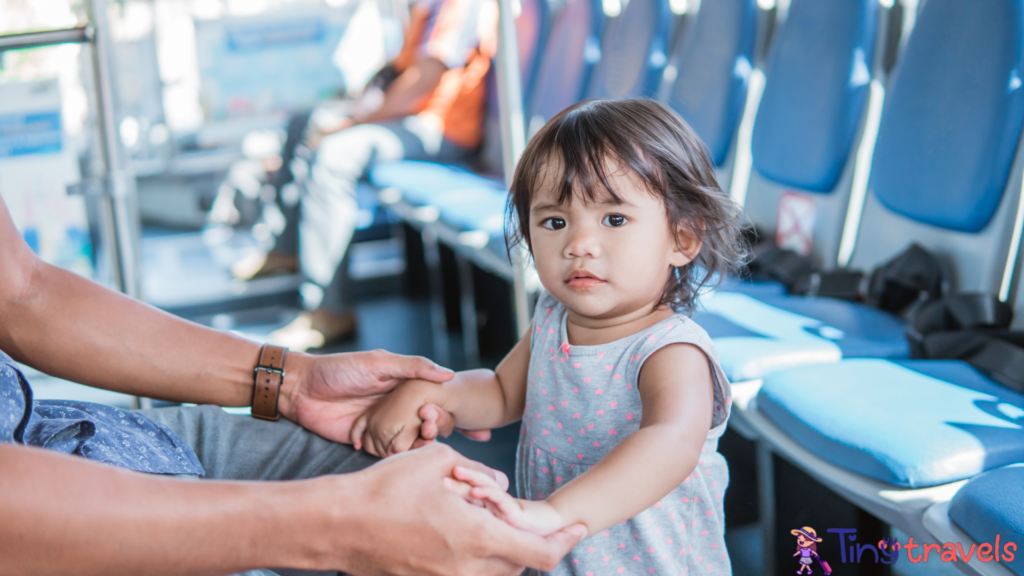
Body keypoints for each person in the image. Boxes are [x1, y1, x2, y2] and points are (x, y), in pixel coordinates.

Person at [0, 193, 586, 575]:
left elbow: (21, 292)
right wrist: (331, 525)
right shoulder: (553, 320)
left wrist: (291, 382)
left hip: (57, 433)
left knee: (441, 507)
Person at [348, 98, 747, 575]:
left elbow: (671, 444)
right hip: (560, 556)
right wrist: (434, 393)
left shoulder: (671, 351)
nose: (578, 244)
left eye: (614, 219)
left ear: (682, 239)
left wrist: (557, 512)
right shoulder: (554, 316)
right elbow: (501, 392)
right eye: (554, 222)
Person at [234, 0, 499, 351]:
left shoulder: (457, 6)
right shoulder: (425, 8)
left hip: (440, 128)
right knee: (304, 123)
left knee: (334, 155)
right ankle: (287, 248)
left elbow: (424, 81)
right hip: (409, 118)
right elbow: (402, 72)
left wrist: (352, 124)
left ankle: (330, 308)